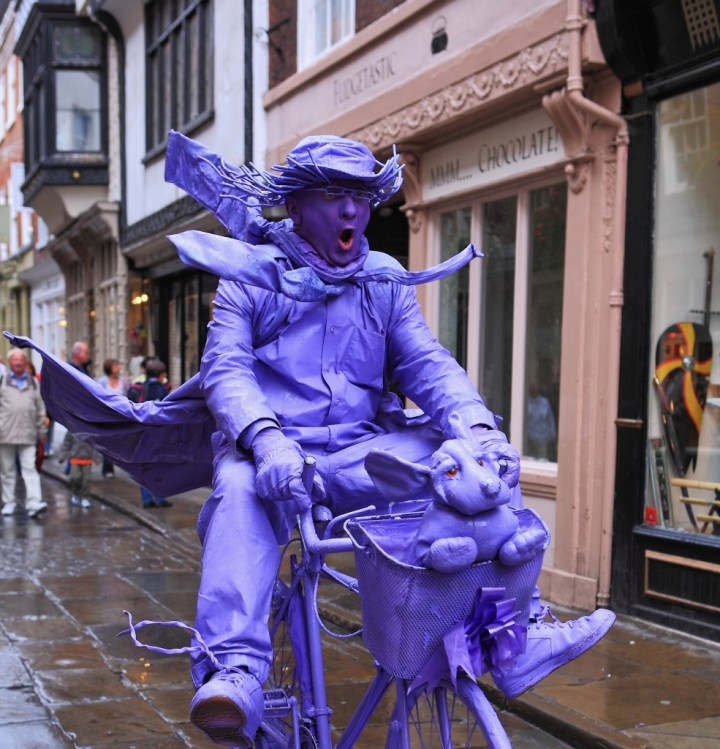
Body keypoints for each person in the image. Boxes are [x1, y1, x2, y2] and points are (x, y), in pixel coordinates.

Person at [13, 133, 615, 748]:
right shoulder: (249, 275)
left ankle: (511, 635)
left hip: (361, 456)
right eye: (333, 194)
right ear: (297, 206)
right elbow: (227, 369)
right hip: (274, 456)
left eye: (359, 195)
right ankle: (237, 669)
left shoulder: (383, 282)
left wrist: (479, 427)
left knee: (464, 462)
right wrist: (266, 441)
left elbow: (426, 364)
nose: (351, 210)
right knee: (240, 490)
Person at [0, 349, 47, 517]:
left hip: (28, 433)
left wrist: (42, 431)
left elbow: (40, 408)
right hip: (5, 433)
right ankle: (9, 503)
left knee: (30, 469)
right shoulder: (2, 381)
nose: (18, 363)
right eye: (15, 360)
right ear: (9, 363)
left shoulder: (33, 382)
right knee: (7, 471)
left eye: (21, 360)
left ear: (25, 362)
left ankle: (34, 502)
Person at [136, 358, 173, 509]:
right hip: (158, 433)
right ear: (160, 374)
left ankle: (146, 499)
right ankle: (159, 498)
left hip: (142, 432)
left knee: (144, 467)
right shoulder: (160, 389)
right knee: (159, 467)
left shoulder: (140, 387)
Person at [97, 359, 129, 477]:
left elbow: (127, 396)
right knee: (108, 442)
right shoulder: (102, 382)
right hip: (107, 417)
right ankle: (107, 469)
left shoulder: (123, 382)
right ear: (109, 368)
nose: (118, 367)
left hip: (120, 416)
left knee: (119, 442)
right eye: (116, 365)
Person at [57, 430, 100, 508]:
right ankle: (75, 493)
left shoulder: (91, 430)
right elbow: (67, 444)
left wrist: (97, 458)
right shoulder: (71, 430)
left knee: (86, 480)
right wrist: (62, 456)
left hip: (87, 459)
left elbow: (95, 446)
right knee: (75, 477)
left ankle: (85, 497)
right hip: (75, 458)